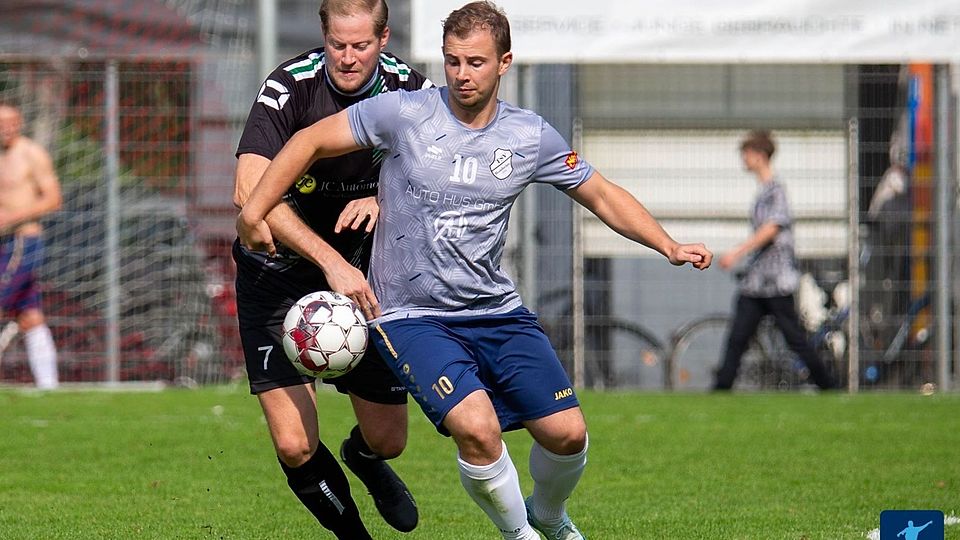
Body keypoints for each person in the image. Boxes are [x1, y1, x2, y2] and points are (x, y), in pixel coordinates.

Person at [236, 2, 712, 538]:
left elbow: (600, 193)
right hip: (405, 312)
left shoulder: (529, 136)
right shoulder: (405, 111)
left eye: (476, 62)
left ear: (504, 62)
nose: (462, 74)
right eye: (453, 61)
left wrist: (666, 244)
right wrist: (254, 210)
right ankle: (517, 534)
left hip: (494, 309)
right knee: (475, 428)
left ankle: (548, 516)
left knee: (567, 434)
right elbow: (310, 140)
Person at [232, 1, 432, 537]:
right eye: (337, 45)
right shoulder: (289, 87)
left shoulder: (409, 89)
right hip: (277, 273)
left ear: (384, 38)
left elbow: (439, 180)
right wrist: (331, 262)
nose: (347, 57)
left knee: (390, 440)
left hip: (363, 271)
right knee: (295, 443)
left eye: (360, 45)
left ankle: (364, 460)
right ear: (324, 37)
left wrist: (385, 202)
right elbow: (250, 191)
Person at [713, 130, 836, 391]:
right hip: (758, 281)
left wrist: (738, 252)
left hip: (776, 281)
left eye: (746, 154)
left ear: (759, 156)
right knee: (738, 337)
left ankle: (827, 385)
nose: (743, 160)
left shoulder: (775, 191)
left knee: (794, 339)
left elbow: (772, 227)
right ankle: (721, 387)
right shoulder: (764, 191)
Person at [0, 103, 62, 390]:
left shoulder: (31, 154)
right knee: (30, 314)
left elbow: (53, 199)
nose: (5, 128)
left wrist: (12, 217)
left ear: (20, 123)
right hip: (4, 243)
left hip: (24, 241)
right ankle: (49, 387)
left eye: (10, 122)